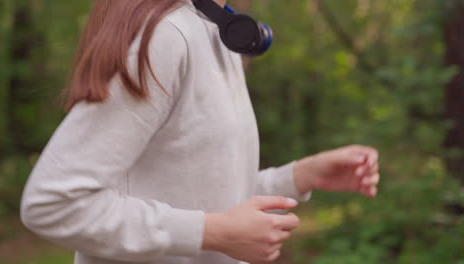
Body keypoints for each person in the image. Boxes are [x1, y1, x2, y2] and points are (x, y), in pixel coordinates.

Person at [20, 0, 380, 264]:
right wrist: (213, 234)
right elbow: (53, 203)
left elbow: (199, 195)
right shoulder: (167, 36)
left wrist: (299, 176)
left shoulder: (217, 34)